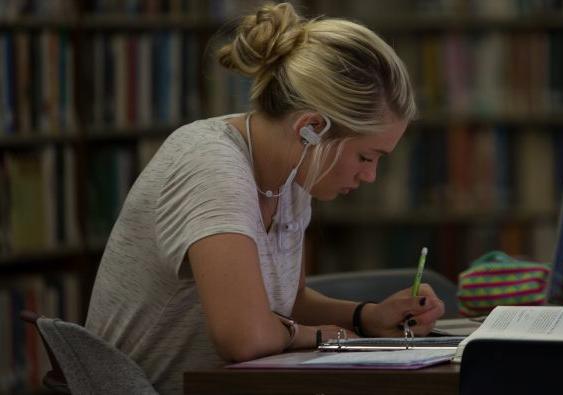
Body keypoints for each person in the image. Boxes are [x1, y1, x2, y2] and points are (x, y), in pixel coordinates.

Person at [84, 3, 445, 394]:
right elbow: (244, 337)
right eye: (365, 156)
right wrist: (323, 337)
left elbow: (288, 303)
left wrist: (366, 316)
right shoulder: (212, 166)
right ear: (311, 128)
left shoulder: (292, 173)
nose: (370, 176)